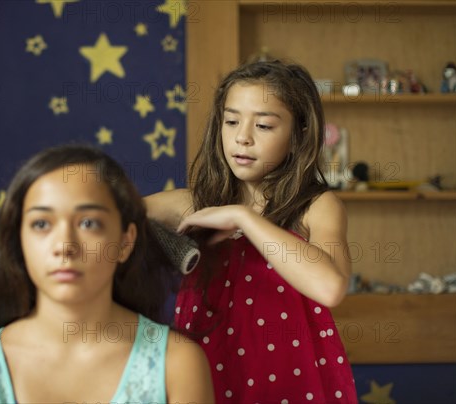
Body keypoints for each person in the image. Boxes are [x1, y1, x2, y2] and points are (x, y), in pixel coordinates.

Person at [146, 60, 358, 403]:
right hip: (208, 373)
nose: (242, 137)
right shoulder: (193, 204)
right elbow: (110, 214)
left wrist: (245, 218)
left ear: (298, 136)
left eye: (263, 125)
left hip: (293, 380)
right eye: (231, 121)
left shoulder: (316, 207)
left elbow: (330, 287)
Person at [0, 145, 214, 403]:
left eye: (88, 223)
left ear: (125, 242)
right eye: (41, 224)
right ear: (19, 243)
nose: (65, 246)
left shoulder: (177, 365)